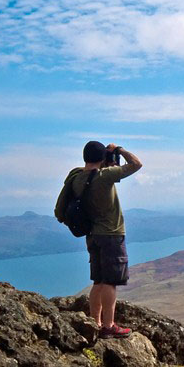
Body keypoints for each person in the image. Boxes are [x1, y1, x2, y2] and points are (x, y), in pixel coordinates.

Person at [56, 141, 143, 339]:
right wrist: (119, 150)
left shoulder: (77, 177)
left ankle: (94, 322)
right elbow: (137, 164)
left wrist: (105, 159)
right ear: (102, 157)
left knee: (98, 281)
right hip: (111, 234)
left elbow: (95, 175)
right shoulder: (105, 177)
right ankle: (108, 326)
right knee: (110, 282)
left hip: (92, 236)